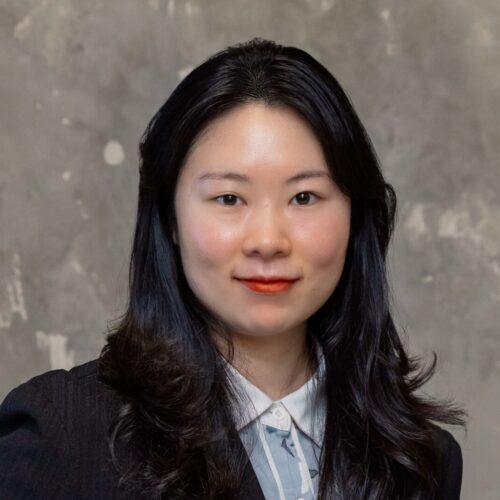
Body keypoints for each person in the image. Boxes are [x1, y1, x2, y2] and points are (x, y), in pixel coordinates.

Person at [0, 38, 466, 500]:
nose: (268, 240)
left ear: (355, 216)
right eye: (229, 198)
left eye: (304, 197)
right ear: (170, 217)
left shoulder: (421, 458)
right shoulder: (60, 437)